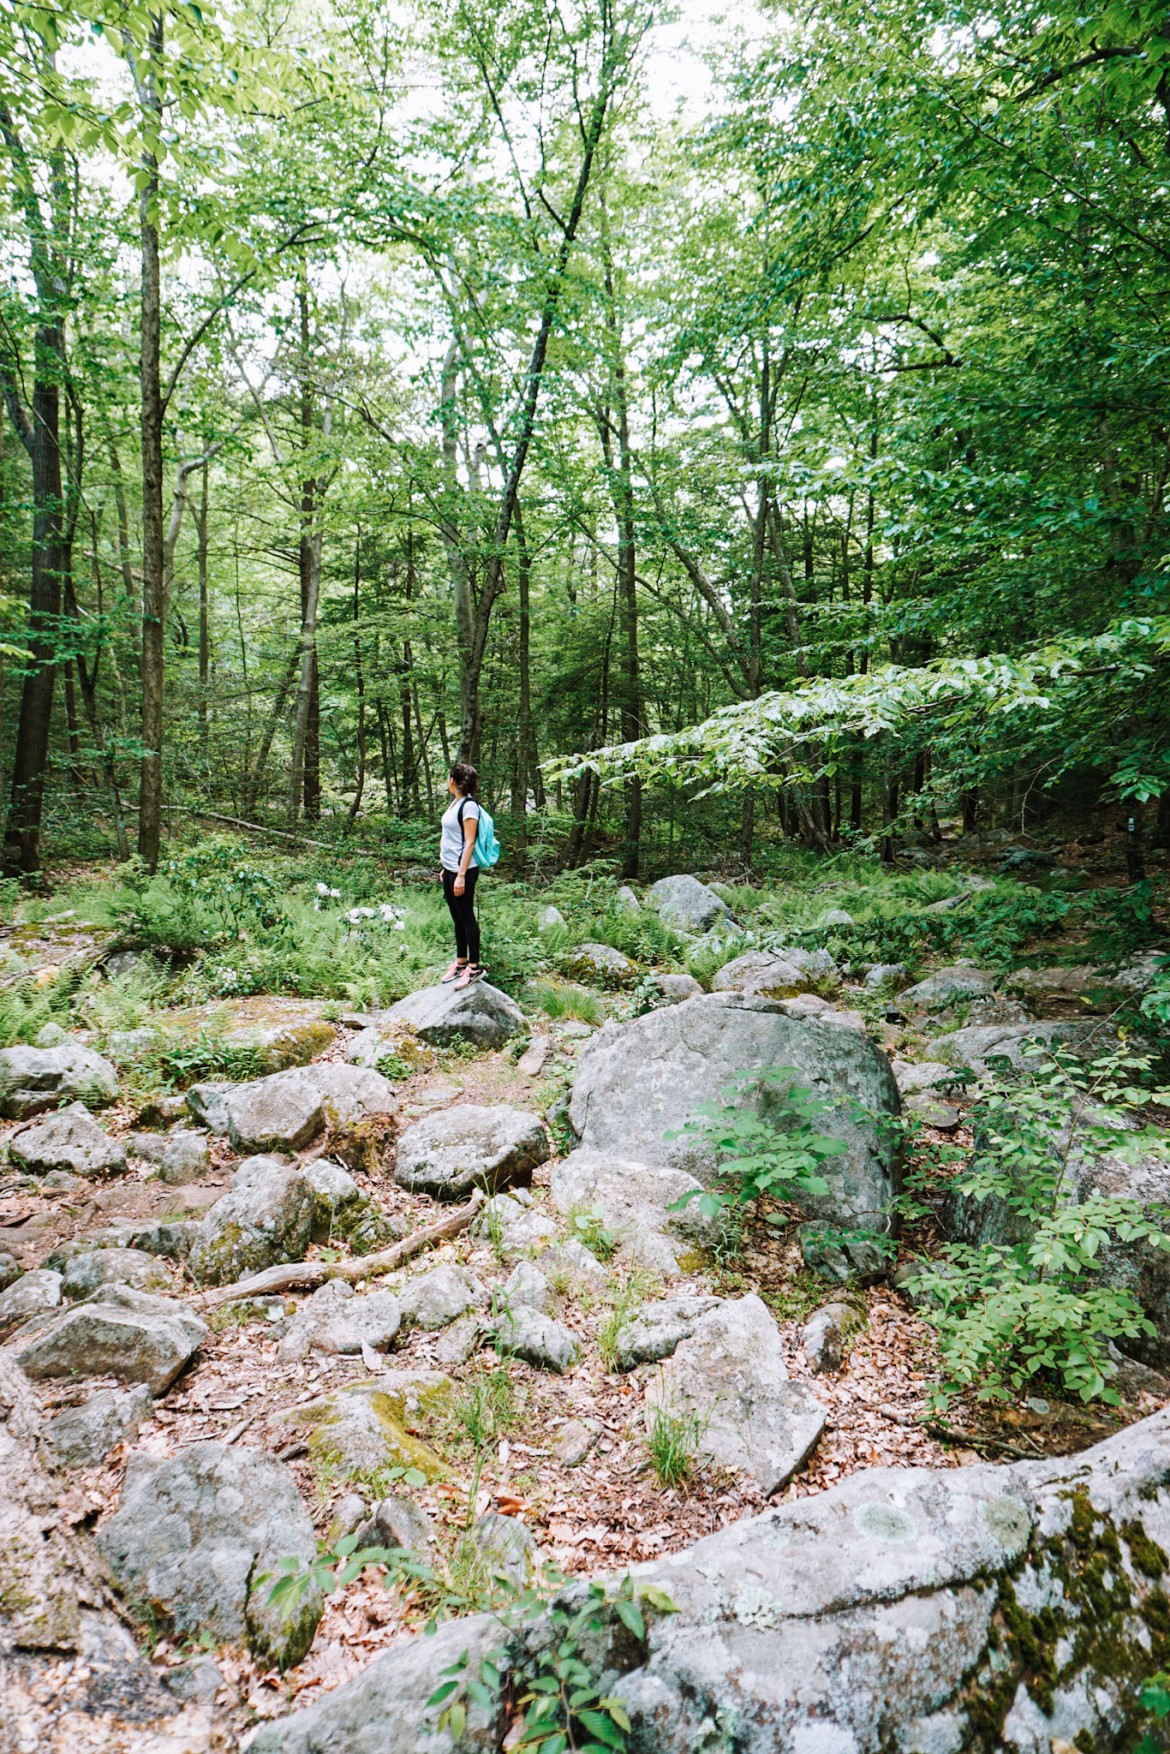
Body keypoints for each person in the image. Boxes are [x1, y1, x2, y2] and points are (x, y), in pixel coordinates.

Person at [440, 761, 484, 988]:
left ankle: (474, 967)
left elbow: (469, 844)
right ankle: (460, 962)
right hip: (450, 869)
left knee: (467, 917)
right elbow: (452, 840)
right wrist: (446, 869)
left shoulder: (469, 806)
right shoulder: (455, 803)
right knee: (456, 917)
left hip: (463, 871)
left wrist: (460, 875)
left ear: (453, 781)